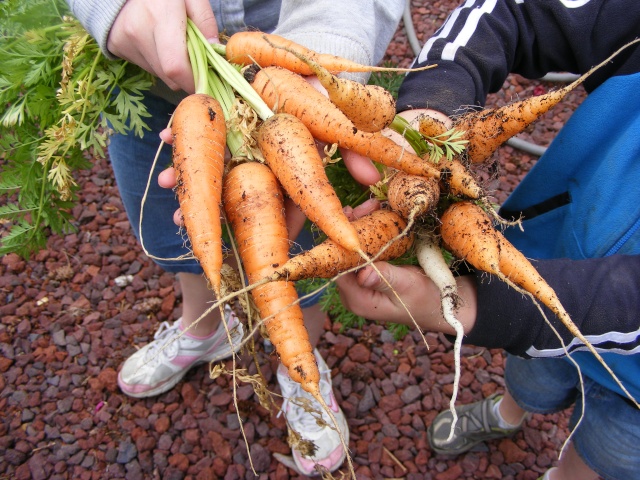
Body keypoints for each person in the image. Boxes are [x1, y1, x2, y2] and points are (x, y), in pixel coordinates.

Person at [66, 0, 403, 475]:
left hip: (284, 68)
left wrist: (317, 55)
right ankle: (204, 329)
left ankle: (300, 371)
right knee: (185, 232)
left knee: (299, 245)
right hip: (141, 78)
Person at [336, 1, 640, 480]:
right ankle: (506, 414)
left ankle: (561, 473)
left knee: (603, 453)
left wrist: (476, 307)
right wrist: (431, 107)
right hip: (546, 260)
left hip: (634, 395)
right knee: (531, 378)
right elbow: (517, 11)